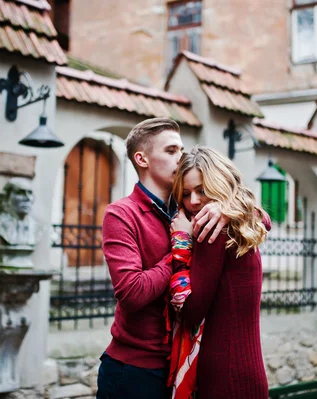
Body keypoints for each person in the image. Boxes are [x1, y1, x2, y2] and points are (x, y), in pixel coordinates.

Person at [97, 119, 228, 399]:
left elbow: (261, 221)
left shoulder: (192, 206)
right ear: (142, 159)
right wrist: (182, 246)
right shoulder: (121, 214)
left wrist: (227, 210)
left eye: (182, 150)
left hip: (183, 366)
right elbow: (131, 292)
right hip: (133, 371)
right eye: (171, 151)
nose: (181, 158)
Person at [168, 146, 271, 399]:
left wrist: (182, 240)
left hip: (224, 379)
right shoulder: (241, 223)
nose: (193, 201)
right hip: (249, 374)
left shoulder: (211, 231)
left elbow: (191, 311)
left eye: (201, 190)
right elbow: (265, 218)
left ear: (219, 184)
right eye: (185, 194)